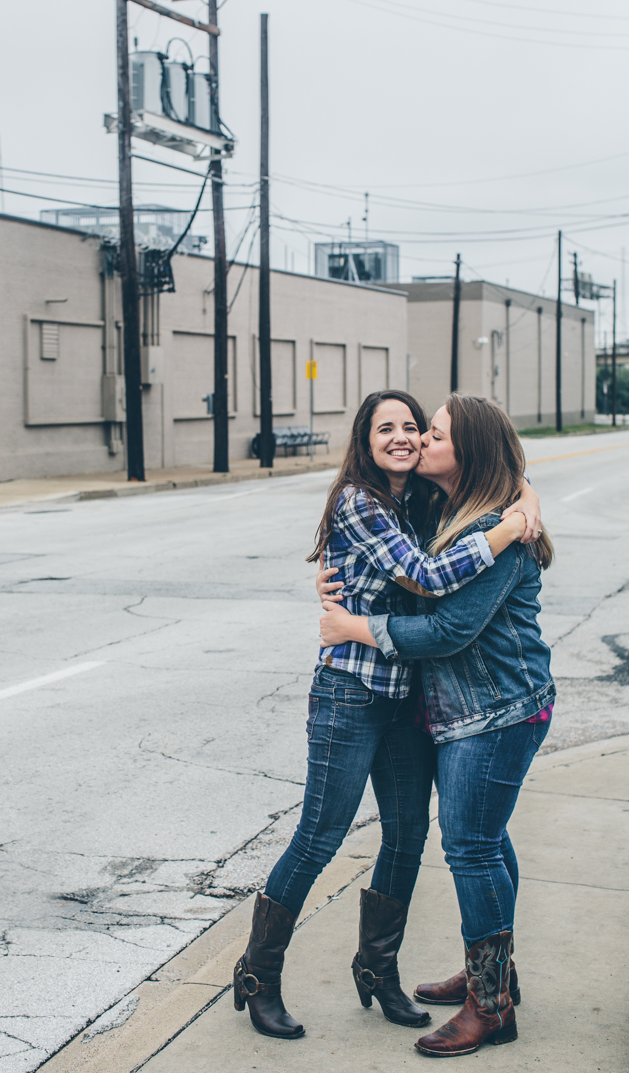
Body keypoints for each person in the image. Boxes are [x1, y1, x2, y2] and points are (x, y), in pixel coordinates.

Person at [233, 390, 540, 1041]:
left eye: (416, 427)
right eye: (388, 428)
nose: (406, 437)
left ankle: (377, 971)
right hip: (350, 694)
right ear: (363, 441)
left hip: (409, 699)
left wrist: (525, 504)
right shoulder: (358, 501)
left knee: (406, 839)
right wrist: (511, 527)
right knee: (319, 837)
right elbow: (426, 577)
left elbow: (495, 477)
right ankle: (258, 974)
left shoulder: (426, 501)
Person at [319, 394, 555, 1058]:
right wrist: (331, 582)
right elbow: (395, 564)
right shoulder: (451, 509)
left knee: (471, 847)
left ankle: (491, 1007)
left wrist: (354, 628)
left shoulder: (495, 533)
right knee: (485, 839)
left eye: (435, 434)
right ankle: (494, 974)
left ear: (467, 452)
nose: (420, 441)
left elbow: (449, 629)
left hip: (499, 711)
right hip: (472, 712)